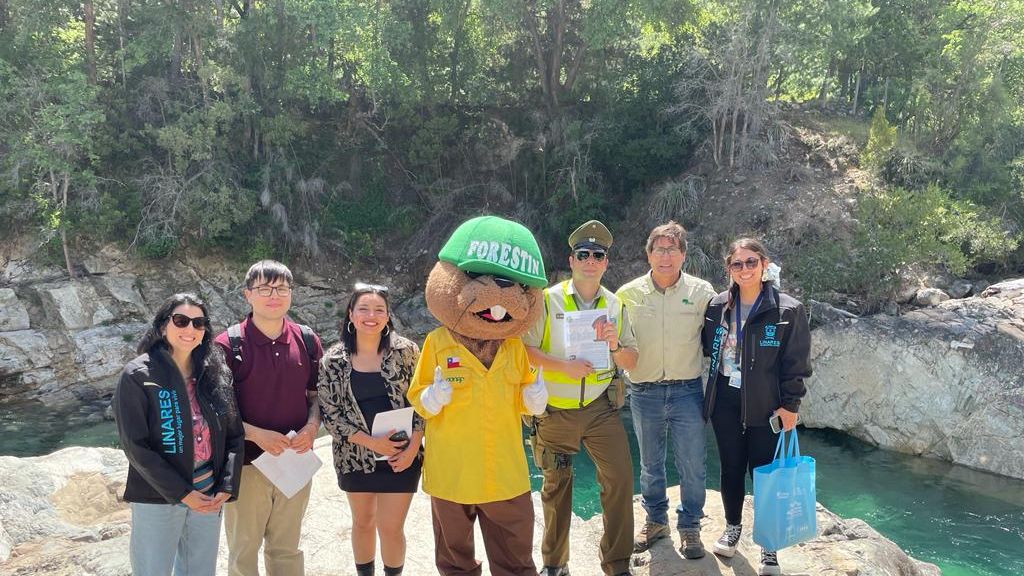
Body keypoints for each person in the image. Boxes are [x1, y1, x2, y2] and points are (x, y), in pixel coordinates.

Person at [523, 220, 638, 576]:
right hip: (556, 410)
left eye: (598, 255)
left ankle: (617, 563)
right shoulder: (547, 299)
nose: (590, 260)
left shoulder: (615, 304)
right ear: (571, 260)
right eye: (583, 254)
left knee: (619, 478)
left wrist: (614, 344)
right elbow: (524, 351)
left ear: (605, 263)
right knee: (556, 486)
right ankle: (555, 564)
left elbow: (631, 359)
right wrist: (562, 367)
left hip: (601, 409)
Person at [112, 293, 244, 576]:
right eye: (181, 321)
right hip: (159, 497)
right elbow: (136, 447)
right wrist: (183, 493)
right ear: (162, 327)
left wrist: (227, 485)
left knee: (200, 571)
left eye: (199, 323)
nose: (190, 330)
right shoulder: (138, 375)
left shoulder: (213, 372)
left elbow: (234, 435)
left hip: (208, 494)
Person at [702, 238, 811, 576]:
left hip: (768, 406)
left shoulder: (786, 310)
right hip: (726, 402)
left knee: (765, 475)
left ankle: (769, 547)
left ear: (764, 265)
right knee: (731, 469)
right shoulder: (717, 306)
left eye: (751, 262)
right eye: (738, 264)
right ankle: (732, 528)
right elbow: (710, 348)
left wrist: (791, 405)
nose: (745, 269)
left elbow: (797, 362)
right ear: (728, 269)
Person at [214, 260, 324, 576]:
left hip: (296, 460)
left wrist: (313, 425)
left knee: (287, 549)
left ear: (291, 294)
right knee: (243, 552)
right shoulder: (227, 344)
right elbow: (218, 409)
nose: (274, 295)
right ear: (248, 294)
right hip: (246, 465)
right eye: (264, 288)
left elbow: (315, 395)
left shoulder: (306, 339)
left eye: (281, 288)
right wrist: (255, 434)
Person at [616, 221, 716, 559]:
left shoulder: (703, 292)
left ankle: (690, 526)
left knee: (692, 462)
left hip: (688, 389)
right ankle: (655, 520)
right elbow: (614, 341)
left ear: (683, 255)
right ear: (648, 254)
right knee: (650, 464)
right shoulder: (627, 294)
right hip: (643, 391)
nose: (665, 256)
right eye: (659, 249)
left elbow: (723, 335)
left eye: (672, 249)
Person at [318, 283, 423, 576]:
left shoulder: (406, 352)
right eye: (363, 309)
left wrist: (414, 446)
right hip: (354, 455)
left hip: (401, 455)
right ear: (350, 315)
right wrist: (372, 443)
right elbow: (331, 413)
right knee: (363, 522)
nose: (371, 316)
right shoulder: (333, 361)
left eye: (379, 310)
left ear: (388, 316)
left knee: (391, 528)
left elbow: (422, 402)